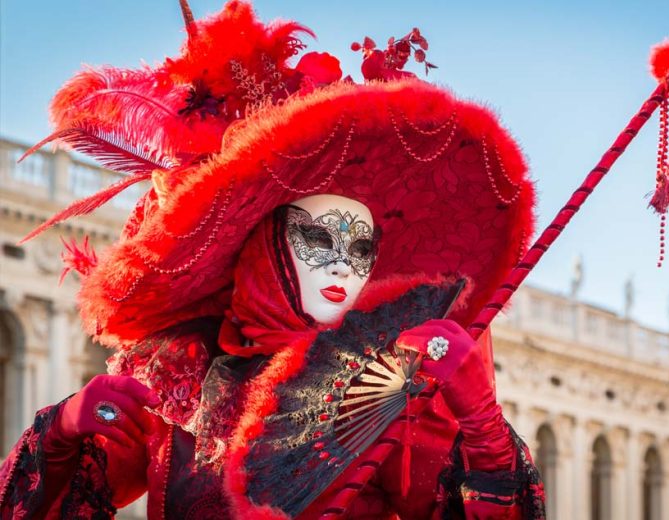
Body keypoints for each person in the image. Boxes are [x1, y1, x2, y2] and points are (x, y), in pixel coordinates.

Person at [0, 2, 544, 518]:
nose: (342, 269)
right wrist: (61, 435)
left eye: (361, 249)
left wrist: (484, 431)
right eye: (319, 239)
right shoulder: (181, 386)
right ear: (262, 243)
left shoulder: (383, 398)